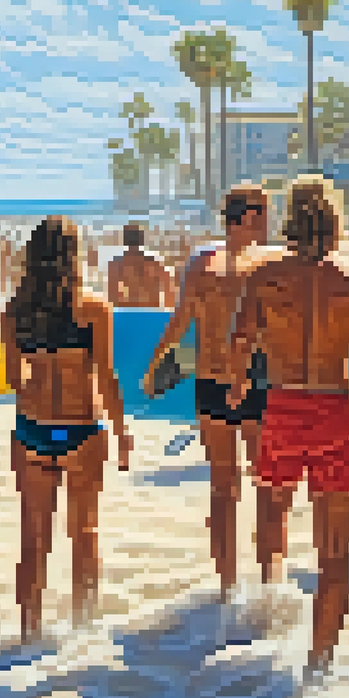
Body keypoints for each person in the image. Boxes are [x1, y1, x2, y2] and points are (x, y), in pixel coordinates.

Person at [225, 176, 349, 673]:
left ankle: (266, 620)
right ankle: (319, 668)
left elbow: (240, 340)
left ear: (289, 218)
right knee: (334, 553)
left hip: (283, 405)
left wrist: (239, 384)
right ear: (334, 218)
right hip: (333, 409)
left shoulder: (264, 276)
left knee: (272, 510)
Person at [4, 216, 131, 642]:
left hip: (33, 430)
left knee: (33, 539)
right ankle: (83, 633)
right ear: (73, 256)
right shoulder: (93, 308)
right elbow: (106, 377)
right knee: (84, 533)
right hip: (80, 430)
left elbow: (14, 379)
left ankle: (28, 635)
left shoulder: (15, 312)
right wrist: (122, 431)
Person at [142, 186, 274, 600]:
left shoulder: (215, 261)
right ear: (247, 216)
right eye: (264, 212)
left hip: (237, 379)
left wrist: (155, 363)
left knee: (239, 484)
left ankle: (247, 585)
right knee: (243, 484)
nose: (269, 220)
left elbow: (182, 319)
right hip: (235, 380)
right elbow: (183, 317)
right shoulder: (249, 261)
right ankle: (246, 585)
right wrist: (158, 361)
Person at [107, 222, 172, 308]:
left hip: (129, 311)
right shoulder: (154, 264)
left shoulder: (117, 265)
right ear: (141, 240)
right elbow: (168, 291)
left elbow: (113, 298)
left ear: (124, 240)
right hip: (152, 310)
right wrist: (167, 312)